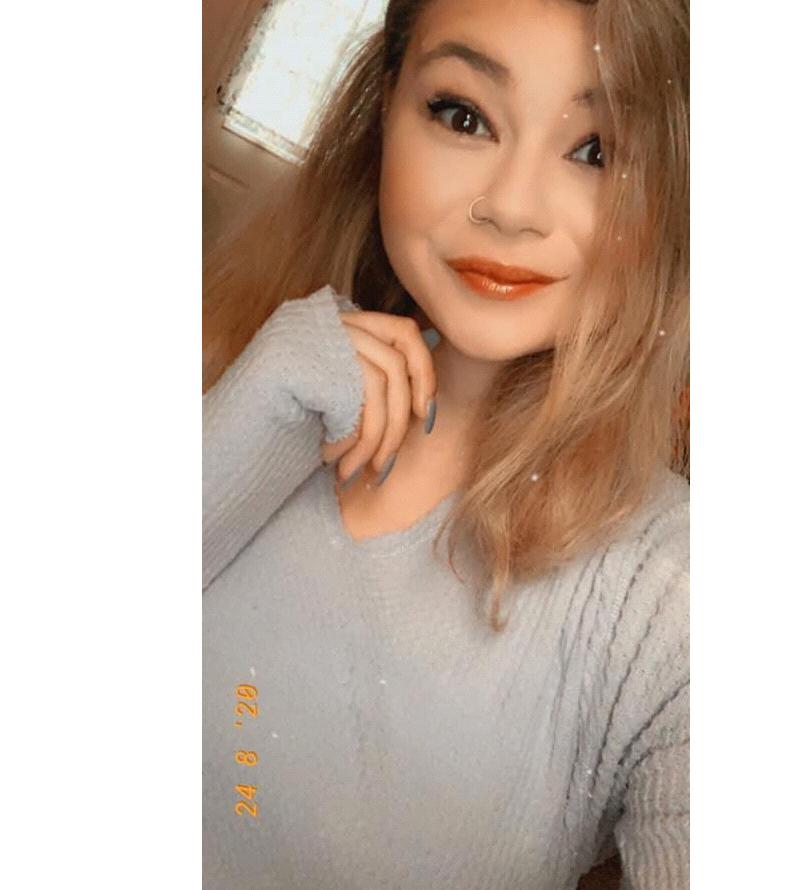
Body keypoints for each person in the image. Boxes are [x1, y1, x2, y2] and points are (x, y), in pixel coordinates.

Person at [202, 0, 689, 887]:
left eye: (598, 151)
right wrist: (241, 427)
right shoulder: (233, 357)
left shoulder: (670, 594)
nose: (510, 208)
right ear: (386, 110)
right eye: (463, 116)